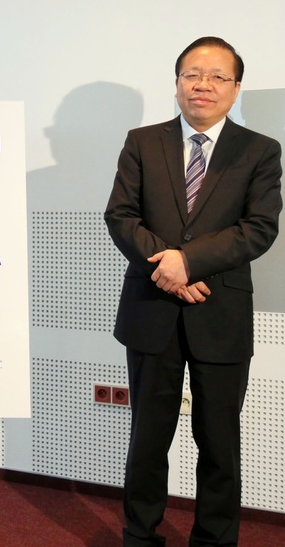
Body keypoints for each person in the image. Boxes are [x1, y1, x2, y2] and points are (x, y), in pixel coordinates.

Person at [105, 36, 282, 546]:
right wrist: (169, 267)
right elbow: (121, 216)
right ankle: (140, 537)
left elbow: (259, 228)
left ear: (235, 87)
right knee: (147, 439)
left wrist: (187, 261)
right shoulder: (143, 142)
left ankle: (214, 540)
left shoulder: (260, 151)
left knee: (220, 443)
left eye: (217, 76)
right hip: (152, 311)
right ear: (178, 82)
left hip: (220, 313)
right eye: (192, 74)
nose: (203, 85)